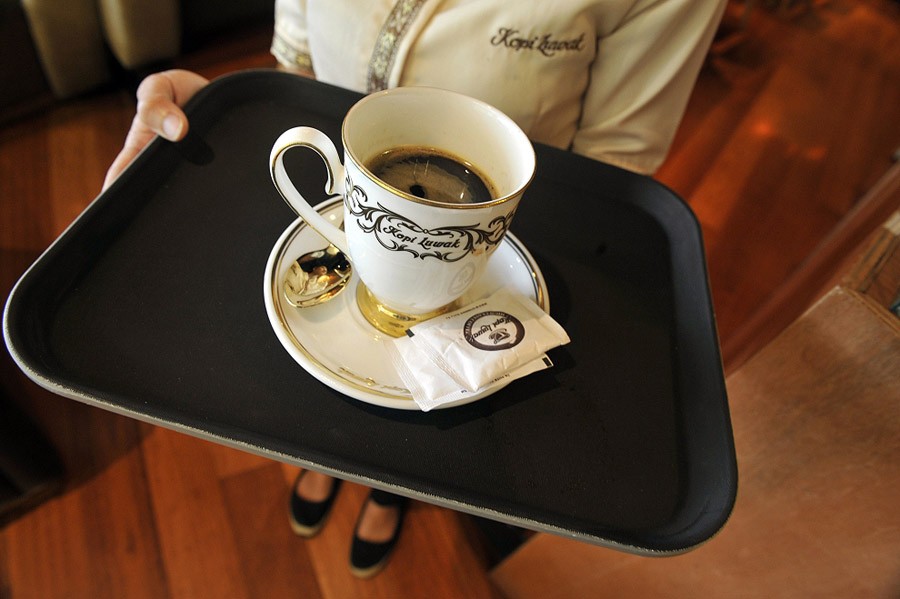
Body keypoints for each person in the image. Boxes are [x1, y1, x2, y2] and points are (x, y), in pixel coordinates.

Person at [103, 0, 727, 578]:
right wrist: (219, 117)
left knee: (426, 439)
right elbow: (294, 65)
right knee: (323, 413)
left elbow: (614, 171)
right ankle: (326, 461)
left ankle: (389, 491)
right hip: (351, 197)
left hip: (531, 236)